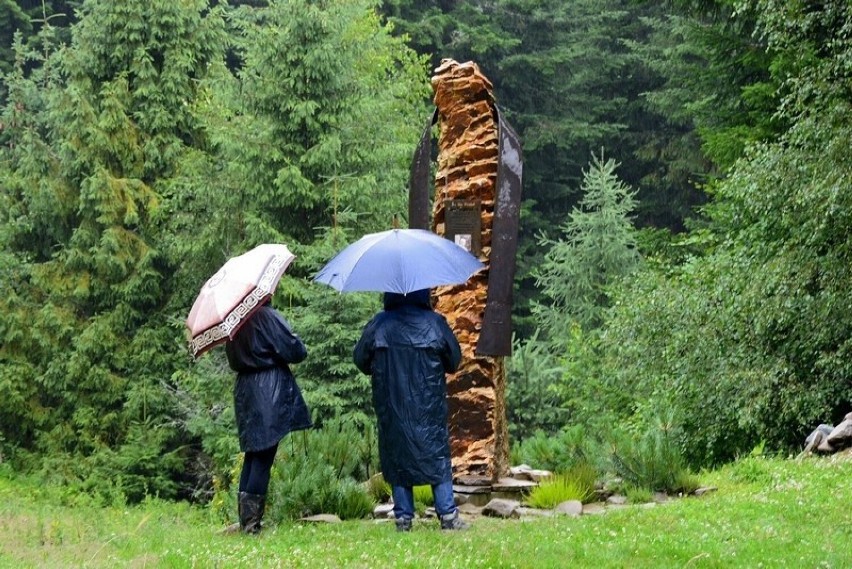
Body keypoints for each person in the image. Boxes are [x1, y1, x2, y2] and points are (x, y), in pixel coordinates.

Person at [353, 289, 468, 531]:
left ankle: (403, 518)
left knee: (398, 456)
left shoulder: (379, 324)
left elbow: (360, 359)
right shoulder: (435, 323)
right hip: (429, 405)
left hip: (392, 404)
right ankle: (448, 515)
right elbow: (454, 360)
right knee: (436, 454)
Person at [225, 299, 311, 534]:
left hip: (245, 389)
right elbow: (294, 350)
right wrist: (297, 343)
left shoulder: (235, 320)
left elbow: (232, 359)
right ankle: (251, 527)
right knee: (263, 455)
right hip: (267, 389)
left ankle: (246, 523)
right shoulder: (267, 316)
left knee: (253, 454)